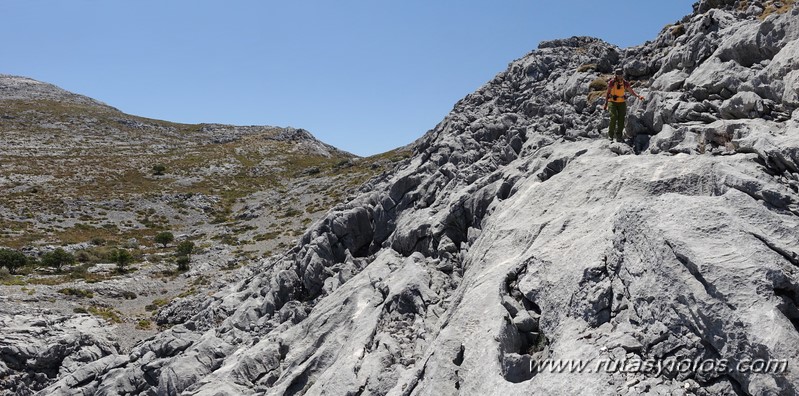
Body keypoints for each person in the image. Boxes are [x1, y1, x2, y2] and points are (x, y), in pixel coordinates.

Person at [604, 69, 644, 143]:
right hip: (612, 101)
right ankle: (610, 135)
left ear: (623, 75)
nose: (619, 76)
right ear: (615, 75)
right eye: (618, 75)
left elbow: (631, 91)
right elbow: (608, 93)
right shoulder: (612, 82)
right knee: (613, 116)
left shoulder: (625, 83)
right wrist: (606, 104)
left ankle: (619, 136)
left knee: (621, 119)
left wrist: (638, 96)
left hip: (621, 102)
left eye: (621, 74)